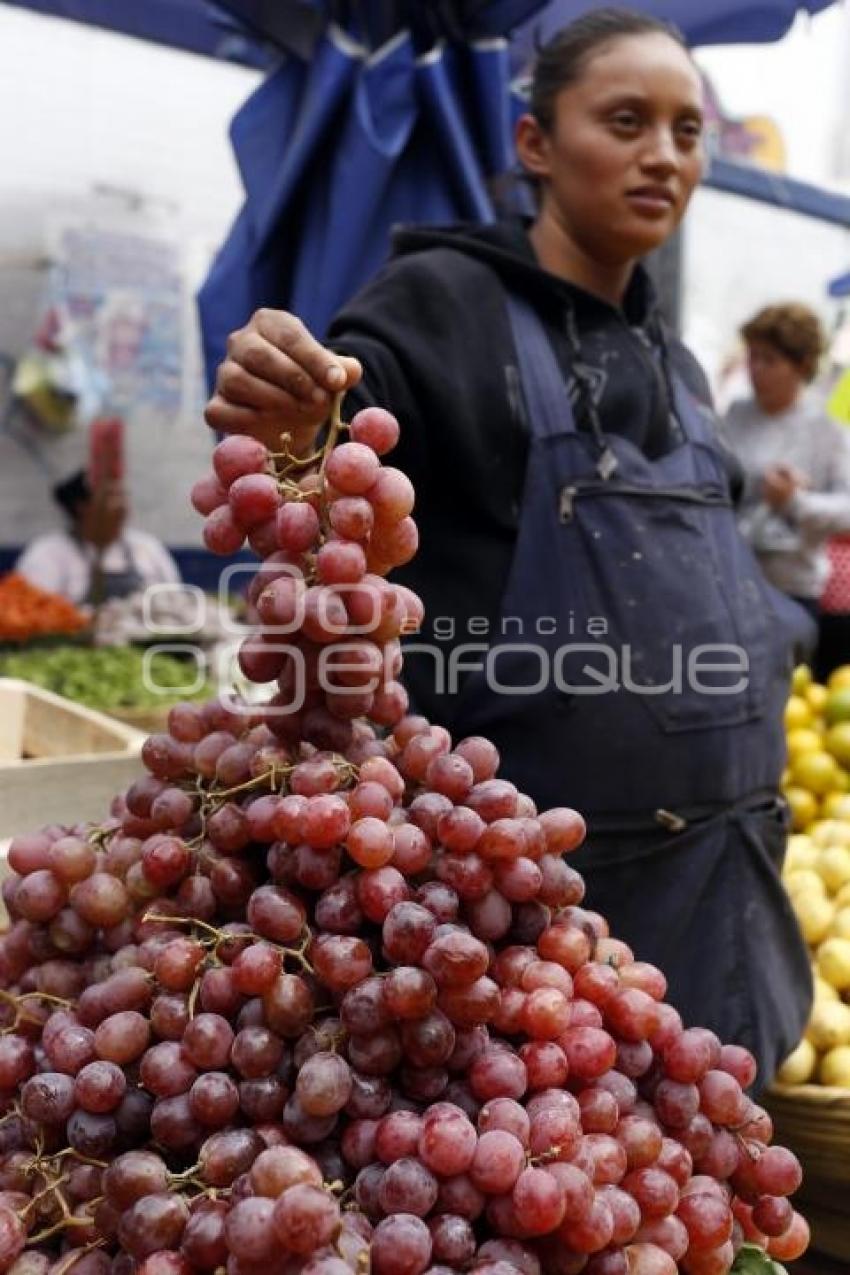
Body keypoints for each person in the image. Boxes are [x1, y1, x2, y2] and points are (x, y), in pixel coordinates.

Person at [205, 7, 812, 1083]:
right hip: (521, 938)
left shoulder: (672, 364)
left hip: (720, 902)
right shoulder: (442, 304)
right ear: (533, 144)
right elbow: (343, 435)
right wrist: (292, 411)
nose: (662, 155)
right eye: (624, 120)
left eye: (685, 131)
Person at [723, 303, 850, 671]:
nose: (755, 369)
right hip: (734, 582)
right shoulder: (736, 414)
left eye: (769, 359)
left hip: (794, 587)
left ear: (801, 366)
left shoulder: (825, 428)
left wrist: (795, 501)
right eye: (752, 356)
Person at [16, 469, 180, 605]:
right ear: (82, 507)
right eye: (111, 496)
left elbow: (177, 601)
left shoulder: (148, 547)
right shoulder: (46, 554)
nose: (122, 503)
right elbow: (32, 613)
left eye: (122, 494)